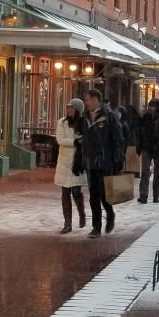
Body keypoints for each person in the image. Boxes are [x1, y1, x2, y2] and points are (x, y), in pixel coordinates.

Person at [82, 89, 124, 238]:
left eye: (87, 100)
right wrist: (80, 159)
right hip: (90, 162)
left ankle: (110, 213)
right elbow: (84, 140)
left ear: (95, 100)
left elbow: (118, 139)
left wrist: (118, 159)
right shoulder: (85, 117)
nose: (86, 103)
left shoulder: (109, 117)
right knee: (93, 195)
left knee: (104, 194)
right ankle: (96, 227)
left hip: (105, 161)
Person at [55, 98, 88, 233]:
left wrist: (82, 141)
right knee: (65, 192)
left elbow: (87, 138)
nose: (68, 109)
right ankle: (67, 223)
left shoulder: (84, 123)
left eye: (72, 107)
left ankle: (82, 214)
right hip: (64, 162)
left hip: (77, 162)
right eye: (68, 107)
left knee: (76, 192)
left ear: (78, 110)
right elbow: (60, 140)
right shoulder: (61, 123)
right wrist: (75, 141)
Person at [137, 98, 159, 204]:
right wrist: (140, 145)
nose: (150, 108)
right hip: (146, 148)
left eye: (152, 106)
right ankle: (143, 195)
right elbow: (140, 132)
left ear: (158, 107)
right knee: (145, 171)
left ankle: (156, 196)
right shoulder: (145, 118)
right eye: (150, 106)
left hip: (158, 148)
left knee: (158, 172)